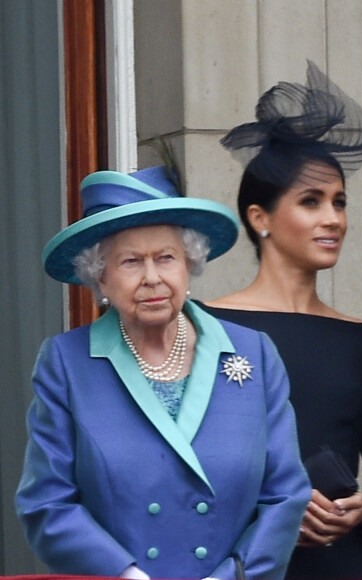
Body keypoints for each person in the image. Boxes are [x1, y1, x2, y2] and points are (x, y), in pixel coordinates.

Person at [14, 166, 311, 580]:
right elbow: (46, 502)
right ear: (100, 276)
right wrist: (126, 575)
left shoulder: (253, 353)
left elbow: (285, 494)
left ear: (189, 264)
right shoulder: (67, 363)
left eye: (166, 258)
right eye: (131, 261)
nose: (152, 278)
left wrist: (235, 575)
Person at [202, 61, 362, 580]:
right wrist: (268, 513)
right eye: (311, 201)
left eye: (339, 202)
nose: (334, 219)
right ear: (260, 219)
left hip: (344, 565)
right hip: (236, 565)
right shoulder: (205, 328)